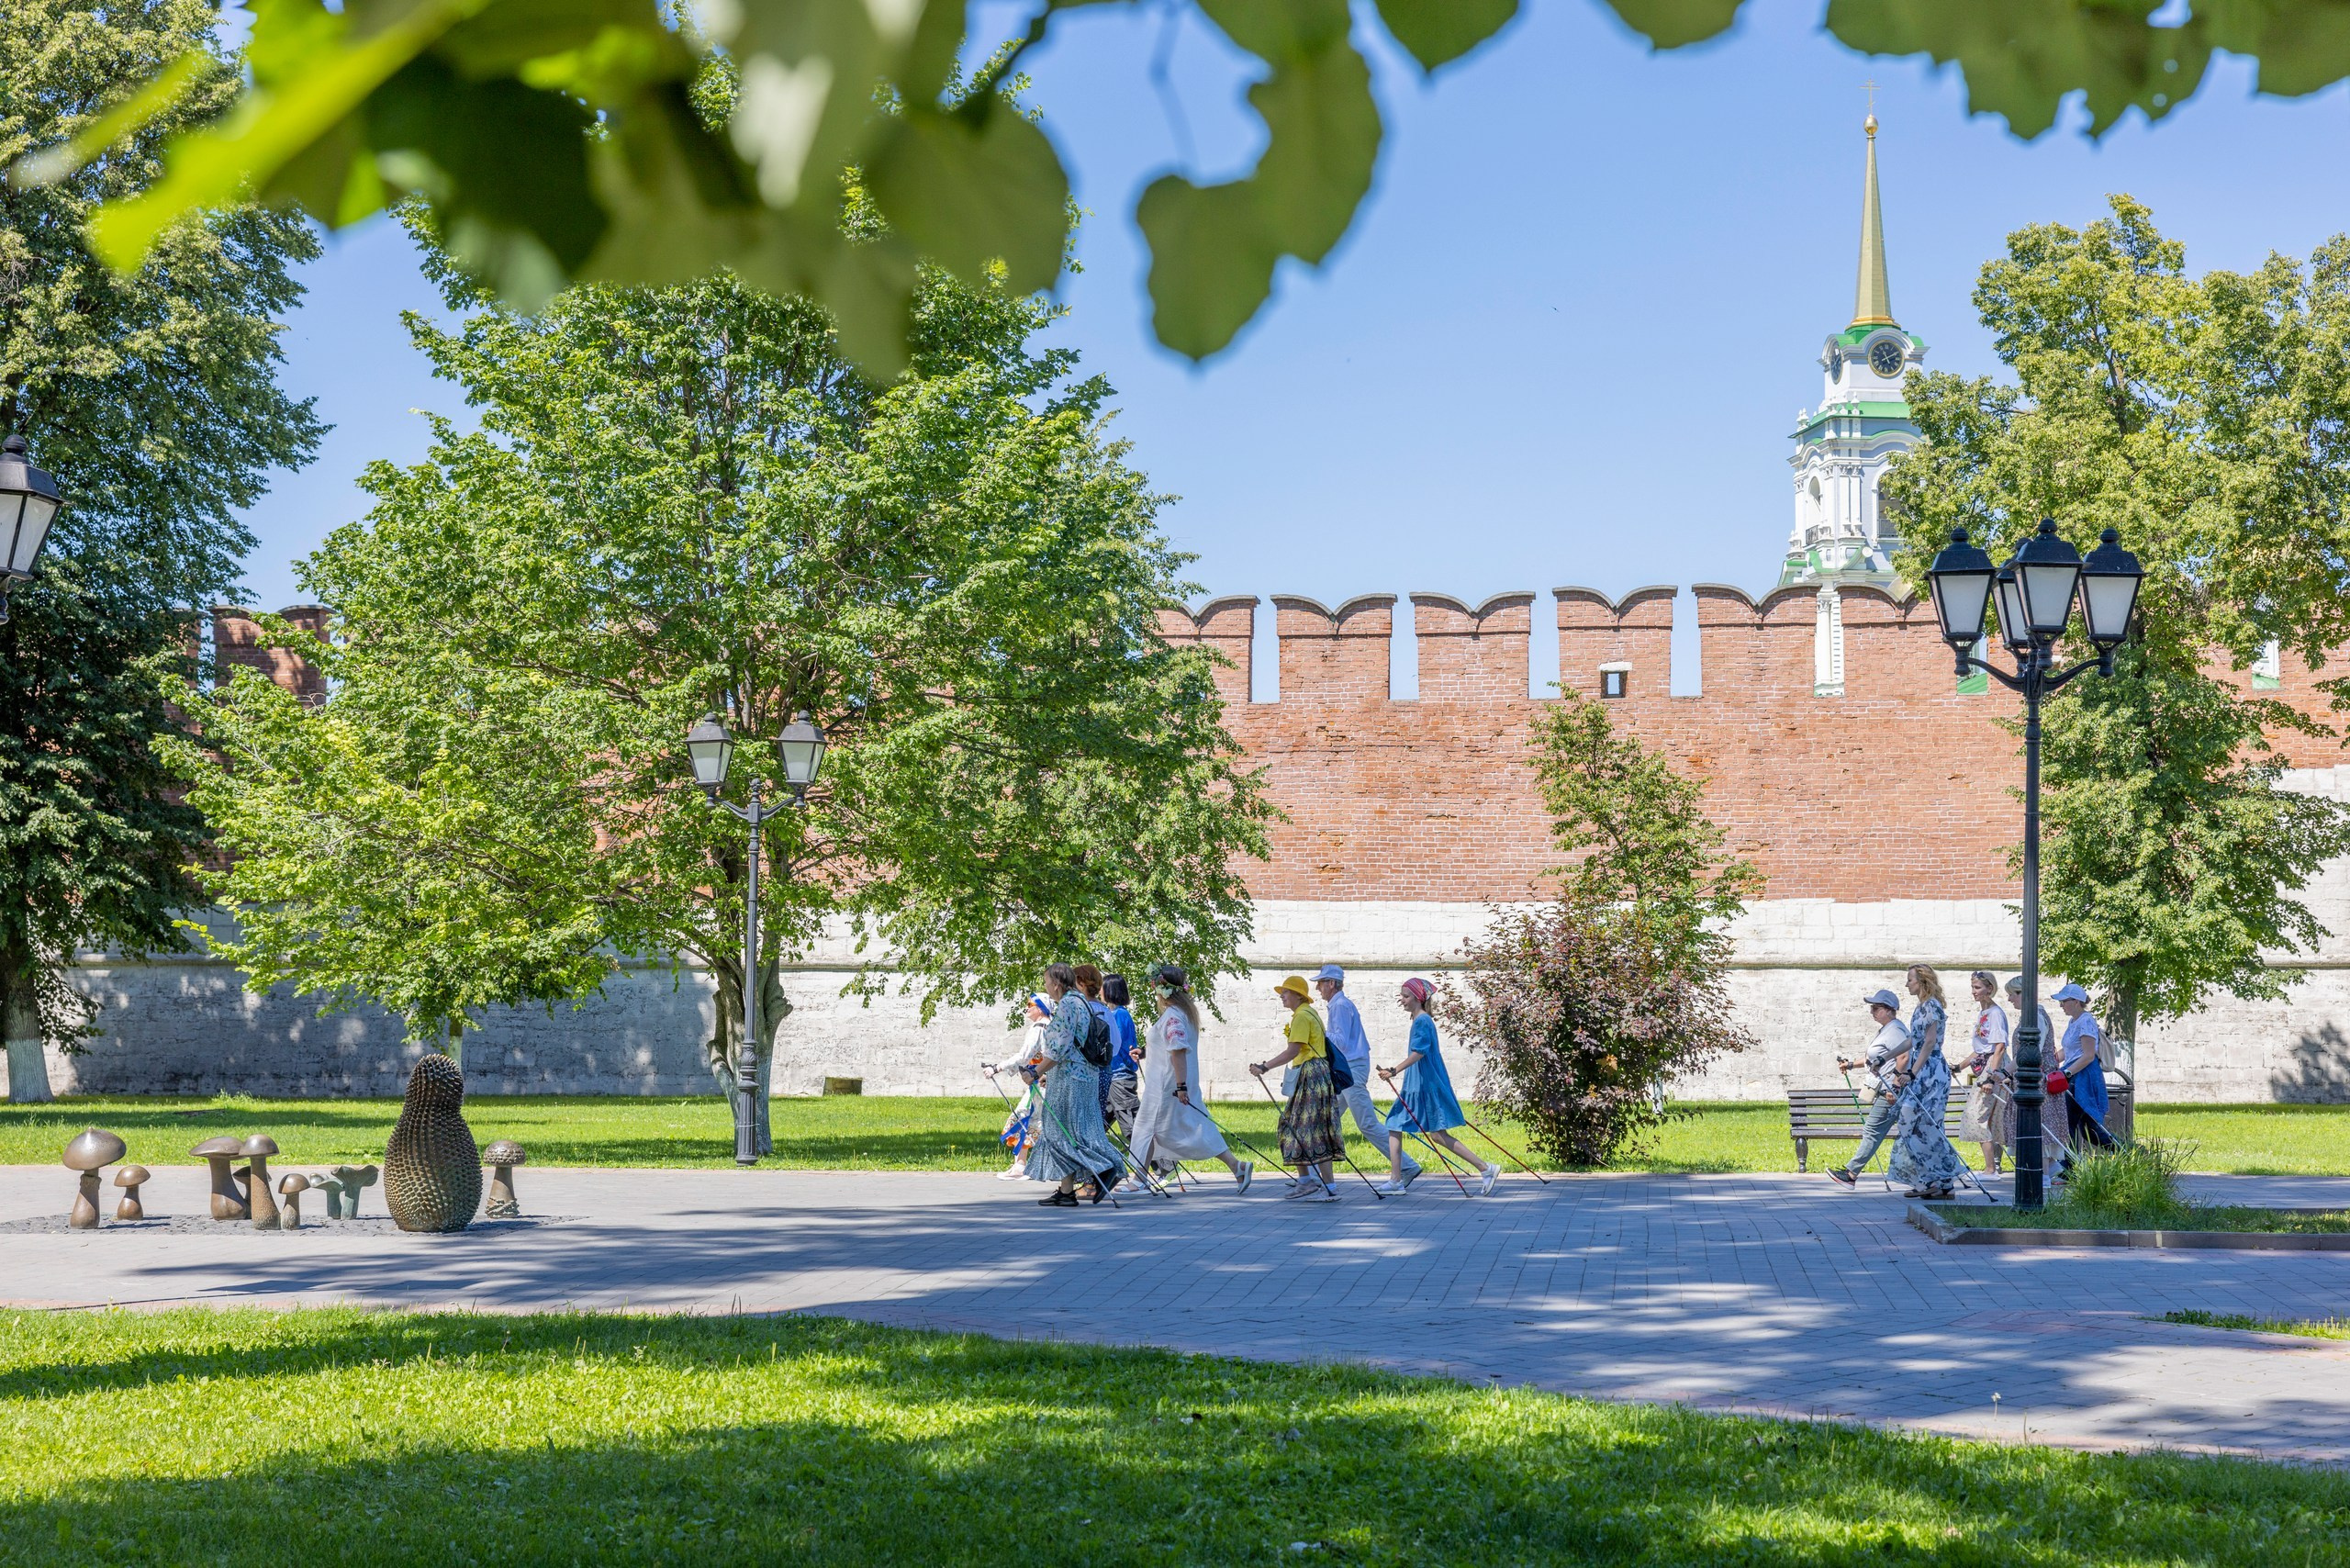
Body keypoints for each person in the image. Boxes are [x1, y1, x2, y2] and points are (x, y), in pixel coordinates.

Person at [1126, 963, 1253, 1191]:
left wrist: (1180, 1085)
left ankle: (1138, 1180)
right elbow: (1169, 1046)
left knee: (1150, 1128)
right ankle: (1237, 1166)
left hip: (1167, 1087)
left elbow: (1177, 1050)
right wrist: (1145, 1052)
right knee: (1190, 1127)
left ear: (1161, 989)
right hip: (1171, 1083)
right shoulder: (1182, 1014)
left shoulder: (1173, 1016)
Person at [1375, 978, 1495, 1195]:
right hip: (1419, 1084)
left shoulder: (1422, 1021)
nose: (1401, 1000)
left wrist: (1394, 1070)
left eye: (1406, 996)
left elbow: (1419, 1052)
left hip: (1424, 1085)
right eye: (1401, 995)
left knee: (1418, 1129)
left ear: (1418, 998)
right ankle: (1485, 1169)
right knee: (1408, 1127)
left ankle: (1485, 1168)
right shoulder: (1419, 1020)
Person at [1027, 963, 1125, 1207]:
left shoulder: (1069, 1006)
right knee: (1068, 1133)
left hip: (1071, 1080)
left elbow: (1058, 1049)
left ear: (1057, 983)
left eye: (1047, 980)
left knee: (1065, 1132)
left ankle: (1108, 1166)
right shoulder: (1078, 1002)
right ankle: (1067, 1191)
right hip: (1080, 1076)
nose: (1046, 985)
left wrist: (1035, 1071)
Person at [1315, 965, 1419, 1187]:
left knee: (1367, 1124)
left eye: (1321, 982)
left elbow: (1340, 1041)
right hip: (1348, 1068)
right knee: (1325, 1118)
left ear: (1331, 984)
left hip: (1351, 1069)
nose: (1317, 988)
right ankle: (1313, 1175)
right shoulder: (1338, 1005)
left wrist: (1316, 1033)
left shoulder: (1340, 1006)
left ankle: (1407, 1167)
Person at [1250, 975, 1345, 1202]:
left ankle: (1314, 1183)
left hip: (1310, 1075)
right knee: (1312, 1129)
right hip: (1318, 1074)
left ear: (1297, 995)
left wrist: (1264, 1067)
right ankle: (1314, 1183)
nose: (1282, 996)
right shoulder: (1309, 1014)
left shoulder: (1302, 1016)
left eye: (1285, 992)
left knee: (1294, 1128)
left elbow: (1293, 1051)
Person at [1887, 963, 1967, 1199]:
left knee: (1926, 1124)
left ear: (1922, 981)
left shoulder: (1932, 1006)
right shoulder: (1920, 1008)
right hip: (1920, 1070)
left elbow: (1930, 1043)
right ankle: (1935, 1179)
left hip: (1931, 1072)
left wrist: (1912, 1071)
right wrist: (1885, 1057)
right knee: (1909, 1122)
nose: (1906, 984)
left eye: (1910, 979)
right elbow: (1914, 1040)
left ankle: (1941, 1178)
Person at [1828, 989, 1908, 1186]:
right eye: (1872, 1007)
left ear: (1890, 1010)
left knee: (1873, 1130)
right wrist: (1850, 1065)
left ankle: (1851, 1174)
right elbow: (1874, 1058)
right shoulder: (1886, 1030)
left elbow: (1904, 1056)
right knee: (1912, 1133)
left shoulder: (1895, 1030)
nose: (1872, 1011)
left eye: (1876, 1008)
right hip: (1888, 1088)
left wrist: (1894, 1086)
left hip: (1891, 1090)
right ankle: (1938, 1177)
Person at [2005, 976, 2070, 1180]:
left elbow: (2030, 1051)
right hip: (2031, 1081)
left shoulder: (2036, 1017)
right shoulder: (2030, 1016)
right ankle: (2048, 1171)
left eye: (2012, 995)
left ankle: (2039, 1181)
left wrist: (2005, 1071)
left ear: (2023, 994)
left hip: (2038, 1084)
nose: (2009, 1000)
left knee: (2038, 1129)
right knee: (2036, 1127)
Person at [982, 994, 1051, 1180]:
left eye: (1030, 1005)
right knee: (1030, 1118)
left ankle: (1022, 1166)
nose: (1026, 1008)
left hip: (1041, 1083)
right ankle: (1021, 1165)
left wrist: (997, 1068)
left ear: (1042, 1008)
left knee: (1024, 1117)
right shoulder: (1050, 1026)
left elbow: (1023, 1055)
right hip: (1044, 1081)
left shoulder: (1039, 1028)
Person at [1955, 969, 2012, 1175]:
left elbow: (1998, 1047)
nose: (1974, 992)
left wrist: (1990, 1077)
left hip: (1992, 1066)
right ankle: (1994, 1166)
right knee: (1988, 1117)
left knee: (1976, 1115)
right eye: (1972, 987)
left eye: (1977, 987)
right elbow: (1981, 1048)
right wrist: (1960, 1066)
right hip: (1986, 1064)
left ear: (1990, 989)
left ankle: (1990, 1169)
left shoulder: (1996, 1014)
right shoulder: (1984, 1013)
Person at [2053, 982, 2116, 1150]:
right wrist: (2052, 1061)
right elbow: (2070, 1051)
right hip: (2074, 1074)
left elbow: (2088, 1055)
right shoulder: (2074, 1022)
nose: (2061, 1005)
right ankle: (2069, 1165)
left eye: (2064, 1001)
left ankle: (2131, 1152)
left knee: (2084, 1127)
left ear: (2076, 1002)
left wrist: (2066, 1073)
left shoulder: (2086, 1021)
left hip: (2083, 1076)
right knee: (2082, 1126)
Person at [1102, 973, 1142, 1145]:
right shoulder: (1116, 1013)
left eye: (1102, 988)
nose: (1099, 992)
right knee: (1097, 1125)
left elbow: (1113, 1045)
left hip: (1120, 1078)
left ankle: (1166, 1166)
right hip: (1113, 1078)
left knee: (1132, 1127)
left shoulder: (1118, 1015)